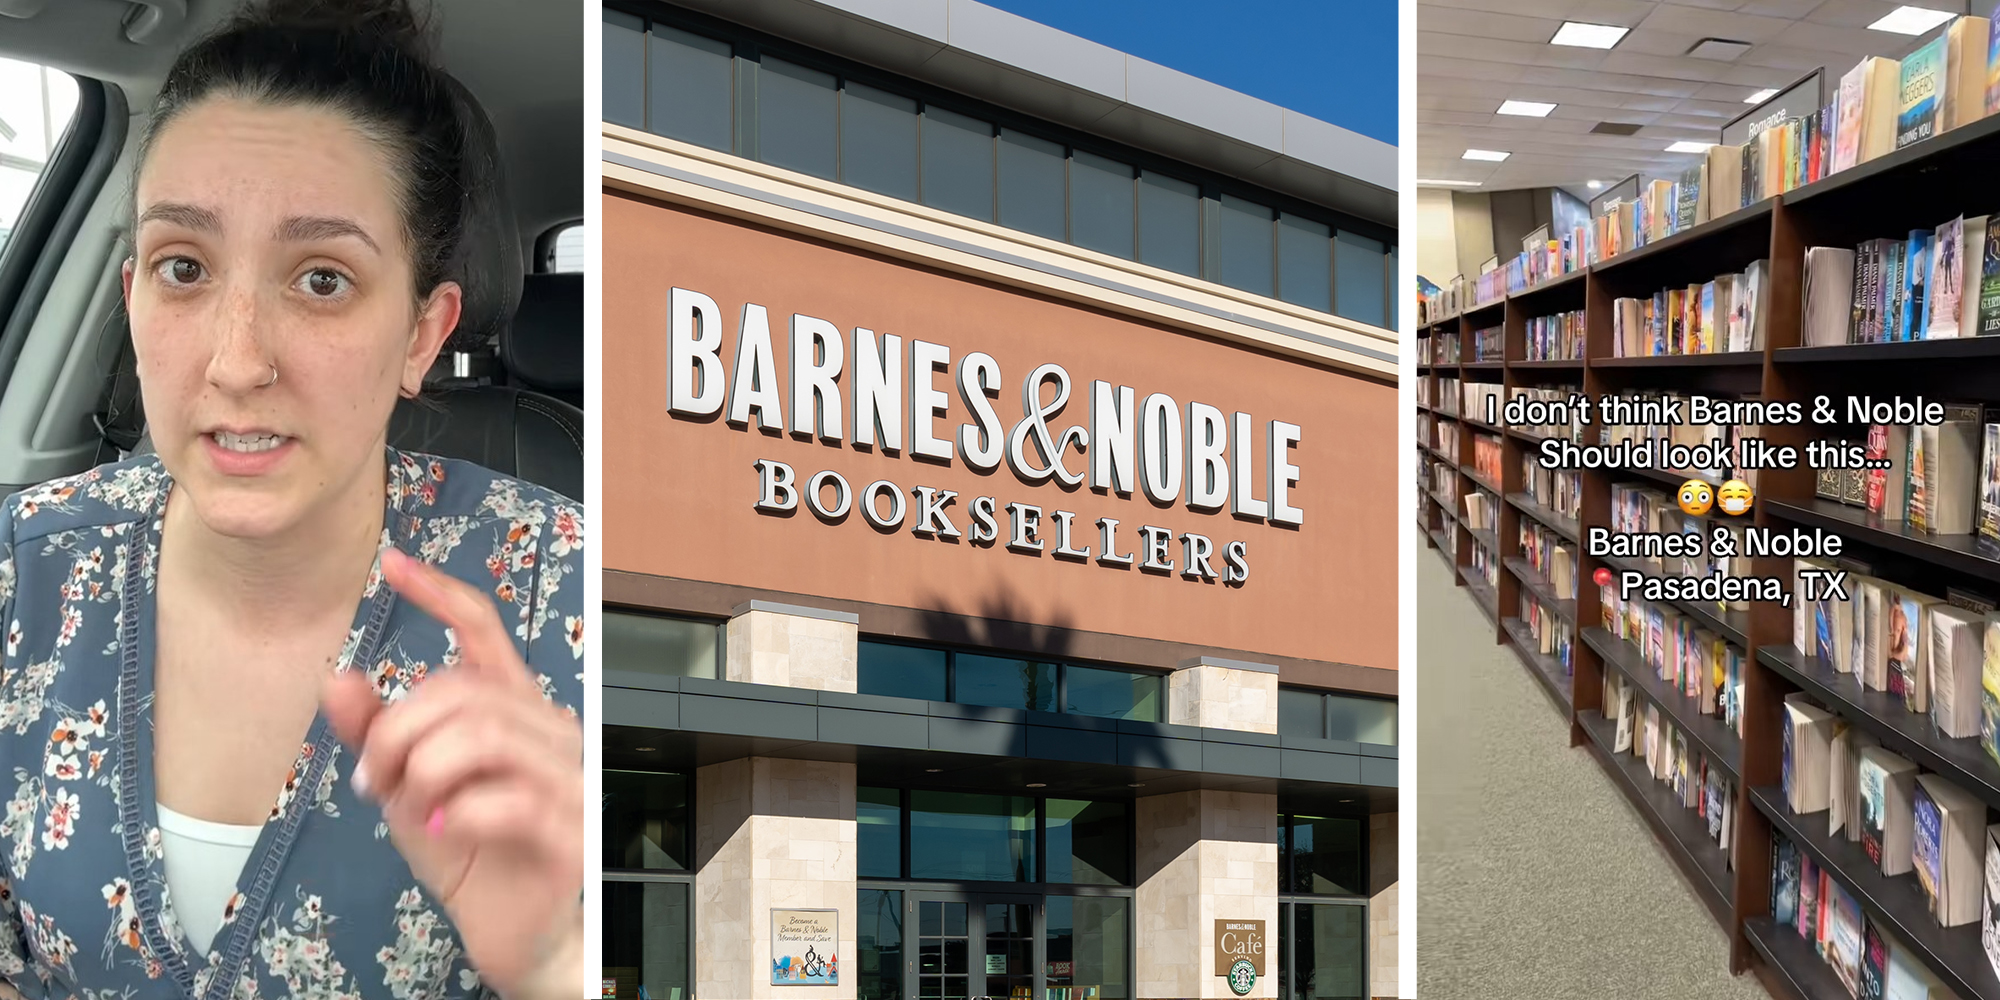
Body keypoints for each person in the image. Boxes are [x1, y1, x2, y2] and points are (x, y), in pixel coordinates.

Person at [0, 2, 583, 999]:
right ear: (134, 291)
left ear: (420, 333)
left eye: (321, 279)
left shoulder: (554, 594)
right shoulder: (22, 570)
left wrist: (551, 966)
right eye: (185, 268)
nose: (236, 361)